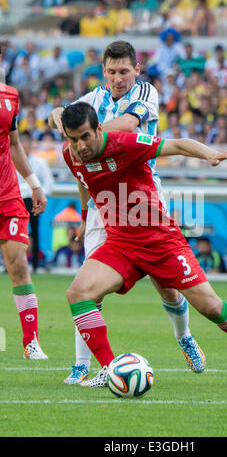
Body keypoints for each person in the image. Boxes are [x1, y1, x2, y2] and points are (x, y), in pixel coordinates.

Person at [60, 102, 227, 390]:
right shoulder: (71, 154)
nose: (80, 145)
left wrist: (210, 154)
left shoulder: (125, 143)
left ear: (99, 129)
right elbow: (83, 180)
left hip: (160, 240)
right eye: (73, 139)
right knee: (77, 293)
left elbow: (177, 144)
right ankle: (110, 368)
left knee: (212, 307)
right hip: (120, 243)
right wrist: (83, 214)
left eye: (85, 137)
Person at [49, 40, 203, 386]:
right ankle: (82, 364)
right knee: (88, 285)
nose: (118, 78)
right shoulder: (93, 98)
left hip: (141, 197)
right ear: (103, 72)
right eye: (111, 72)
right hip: (103, 200)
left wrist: (87, 132)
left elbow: (129, 124)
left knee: (166, 285)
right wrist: (60, 115)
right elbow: (60, 119)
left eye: (124, 71)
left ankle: (184, 338)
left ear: (137, 70)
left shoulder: (146, 93)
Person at [0, 49, 48, 359]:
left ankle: (31, 343)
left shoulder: (10, 97)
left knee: (19, 264)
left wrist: (34, 185)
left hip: (8, 195)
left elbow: (15, 145)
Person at [17, 131, 54, 272]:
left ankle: (35, 264)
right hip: (17, 200)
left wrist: (39, 194)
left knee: (35, 230)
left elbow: (49, 182)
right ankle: (12, 263)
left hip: (33, 200)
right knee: (14, 232)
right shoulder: (12, 161)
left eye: (26, 145)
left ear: (30, 146)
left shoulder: (39, 162)